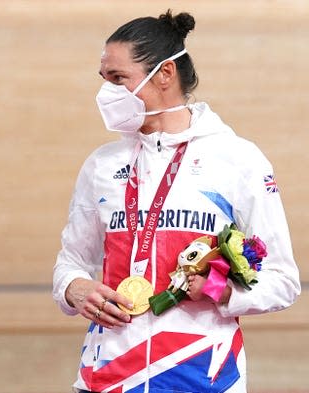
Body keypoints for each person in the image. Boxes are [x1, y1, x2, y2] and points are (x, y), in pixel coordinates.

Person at [52, 10, 300, 393]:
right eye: (104, 80)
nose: (107, 93)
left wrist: (219, 290)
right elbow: (70, 263)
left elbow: (283, 281)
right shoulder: (102, 165)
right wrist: (74, 288)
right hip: (107, 375)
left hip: (203, 375)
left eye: (119, 79)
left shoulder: (238, 159)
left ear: (165, 74)